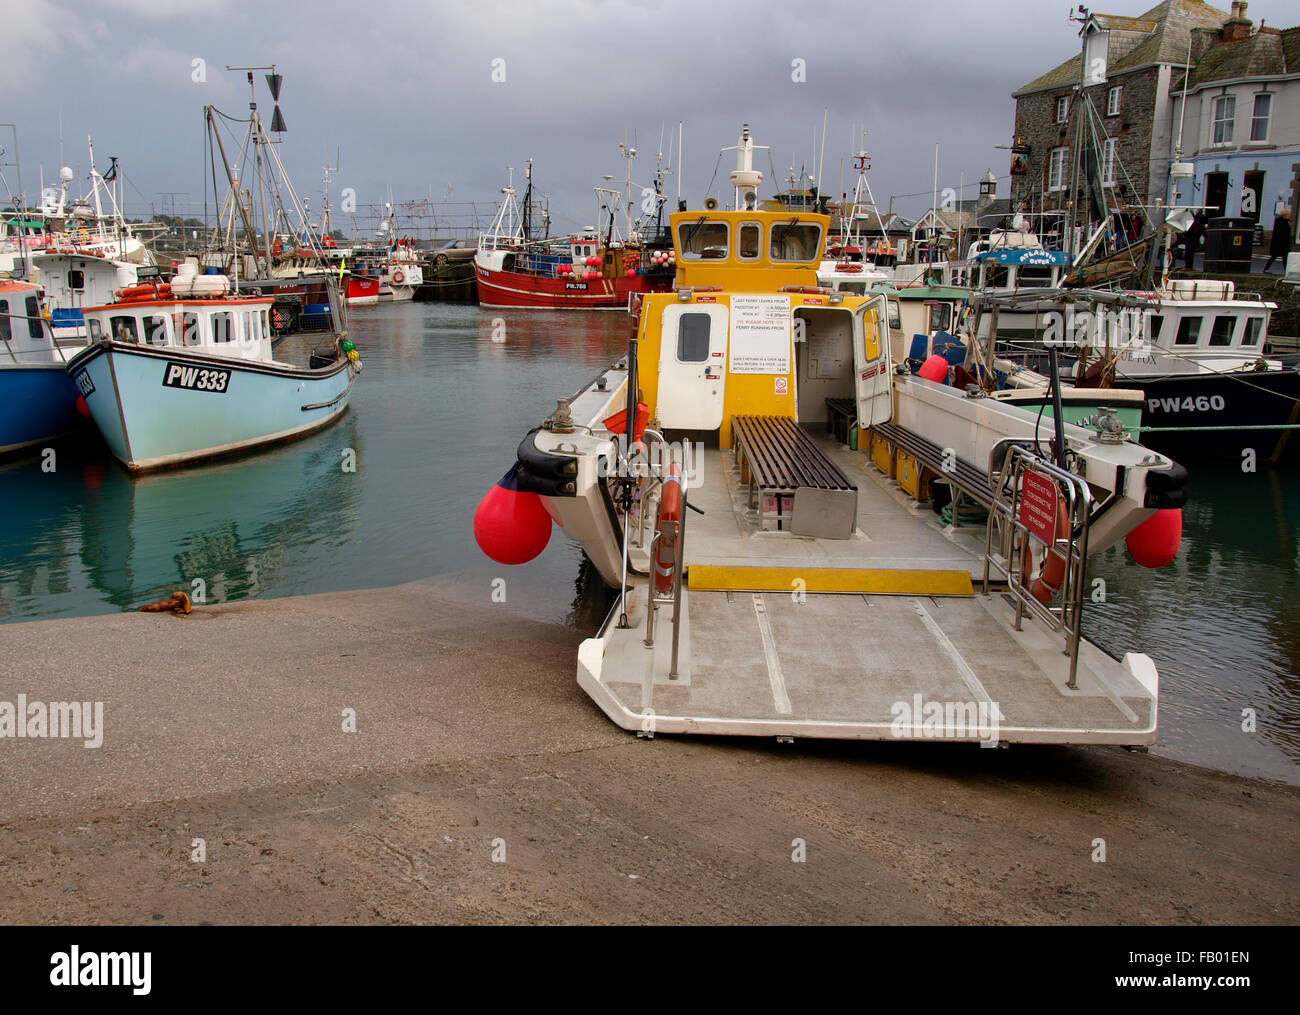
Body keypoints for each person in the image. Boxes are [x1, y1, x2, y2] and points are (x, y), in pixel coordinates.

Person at [1264, 207, 1293, 272]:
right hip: (1279, 244)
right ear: (1285, 215)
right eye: (1288, 214)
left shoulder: (1287, 222)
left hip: (1284, 244)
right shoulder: (1280, 222)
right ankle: (1266, 269)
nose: (1289, 215)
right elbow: (1278, 233)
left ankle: (1286, 270)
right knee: (1275, 256)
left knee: (1284, 257)